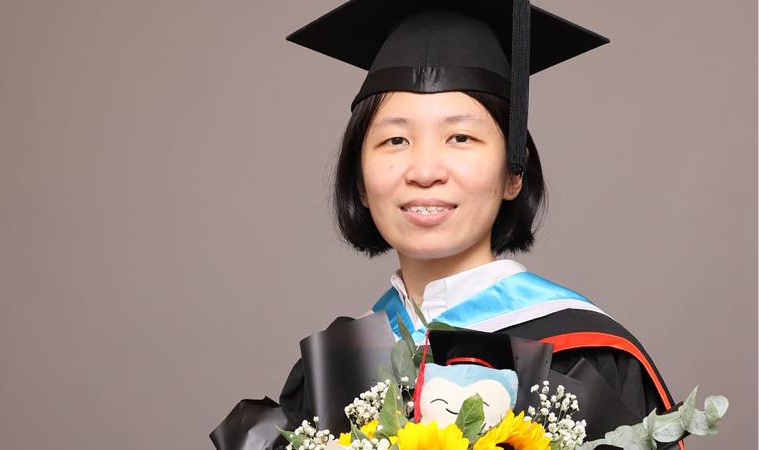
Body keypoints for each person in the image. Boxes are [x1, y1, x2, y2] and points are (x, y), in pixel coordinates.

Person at [210, 1, 683, 449]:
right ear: (359, 180)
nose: (424, 170)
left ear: (514, 172)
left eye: (460, 137)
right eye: (396, 140)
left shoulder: (586, 358)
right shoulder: (335, 369)